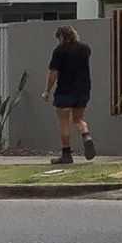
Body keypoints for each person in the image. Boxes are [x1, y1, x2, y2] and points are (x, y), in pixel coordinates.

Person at [43, 26, 95, 167]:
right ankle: (86, 135)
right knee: (78, 120)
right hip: (83, 90)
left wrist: (47, 90)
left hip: (64, 91)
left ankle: (66, 154)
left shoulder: (59, 51)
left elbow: (53, 73)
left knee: (64, 123)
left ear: (61, 37)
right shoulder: (85, 49)